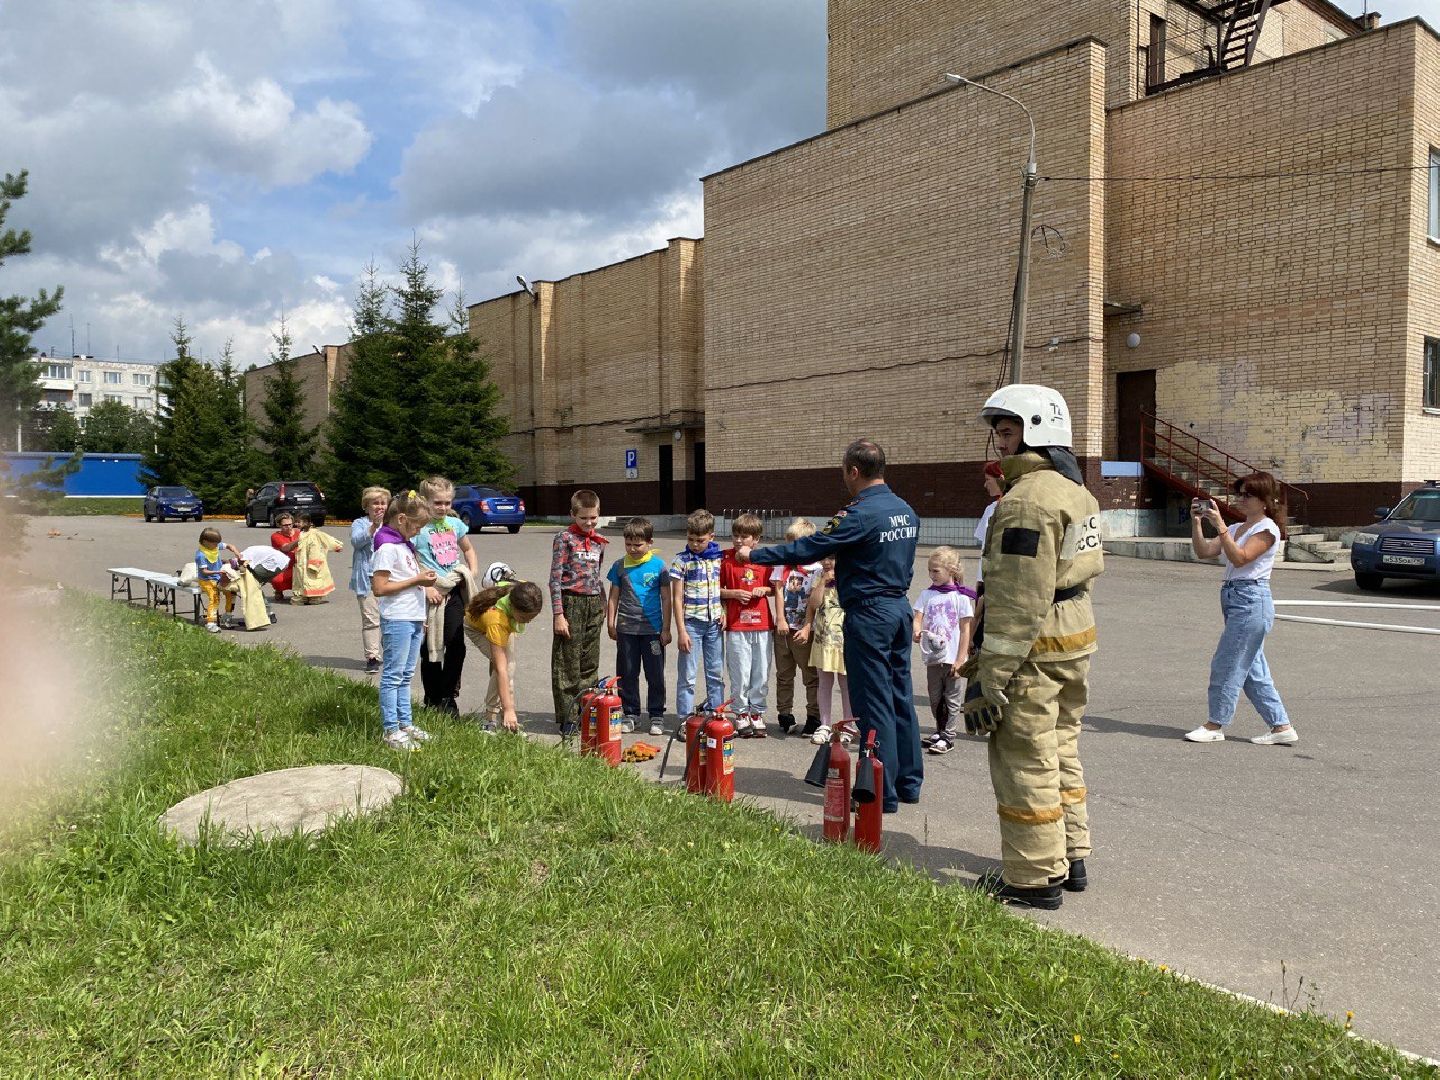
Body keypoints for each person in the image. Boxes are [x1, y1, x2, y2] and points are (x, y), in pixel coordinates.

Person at [963, 384, 1102, 910]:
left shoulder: (1025, 503)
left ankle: (1034, 878)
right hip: (1074, 639)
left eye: (1007, 431)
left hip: (1035, 648)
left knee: (1025, 757)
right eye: (998, 432)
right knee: (1062, 748)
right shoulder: (1076, 491)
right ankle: (1071, 855)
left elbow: (1019, 599)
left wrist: (990, 676)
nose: (999, 442)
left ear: (1037, 431)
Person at [738, 440, 921, 812]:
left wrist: (755, 555)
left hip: (870, 614)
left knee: (874, 703)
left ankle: (879, 792)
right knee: (900, 696)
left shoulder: (859, 513)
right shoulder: (905, 510)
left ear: (853, 471)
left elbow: (810, 547)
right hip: (898, 609)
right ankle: (908, 782)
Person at [1184, 473, 1298, 746]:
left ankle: (1215, 724)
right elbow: (1204, 551)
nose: (1241, 499)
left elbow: (1240, 558)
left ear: (1265, 500)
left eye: (1248, 495)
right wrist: (1197, 523)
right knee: (1253, 670)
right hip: (1236, 598)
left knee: (1227, 663)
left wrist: (1220, 526)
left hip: (1251, 599)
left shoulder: (1267, 529)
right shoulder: (1237, 527)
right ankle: (1281, 726)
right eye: (1239, 494)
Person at [371, 491, 437, 751]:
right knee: (393, 675)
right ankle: (391, 730)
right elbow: (379, 588)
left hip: (412, 618)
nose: (418, 531)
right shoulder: (387, 547)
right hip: (397, 618)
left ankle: (405, 724)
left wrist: (420, 612)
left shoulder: (403, 545)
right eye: (417, 526)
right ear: (401, 519)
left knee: (406, 675)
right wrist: (416, 580)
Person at [415, 476, 479, 715]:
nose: (443, 507)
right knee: (429, 648)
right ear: (425, 501)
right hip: (428, 593)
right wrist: (426, 587)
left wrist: (470, 573)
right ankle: (432, 698)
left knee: (456, 645)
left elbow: (468, 549)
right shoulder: (417, 527)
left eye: (447, 502)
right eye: (437, 503)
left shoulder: (455, 524)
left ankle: (448, 695)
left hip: (453, 591)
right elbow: (409, 560)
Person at [605, 516, 672, 736]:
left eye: (638, 544)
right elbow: (613, 597)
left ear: (650, 542)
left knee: (655, 675)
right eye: (628, 544)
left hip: (653, 631)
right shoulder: (619, 566)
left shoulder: (659, 566)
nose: (632, 549)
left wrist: (666, 628)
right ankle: (630, 714)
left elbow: (666, 599)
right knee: (627, 673)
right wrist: (610, 623)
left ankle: (656, 715)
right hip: (626, 629)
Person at [550, 489, 608, 733]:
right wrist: (558, 614)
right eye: (584, 517)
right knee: (568, 662)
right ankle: (568, 717)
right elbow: (555, 579)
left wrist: (603, 605)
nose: (589, 522)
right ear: (572, 514)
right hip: (571, 602)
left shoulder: (599, 541)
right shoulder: (564, 538)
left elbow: (596, 576)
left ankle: (586, 711)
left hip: (593, 604)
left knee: (589, 661)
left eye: (593, 517)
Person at [913, 546, 975, 755]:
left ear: (951, 570)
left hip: (952, 658)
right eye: (930, 570)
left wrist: (960, 660)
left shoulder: (961, 598)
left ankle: (948, 736)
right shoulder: (927, 594)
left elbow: (965, 631)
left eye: (936, 571)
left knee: (952, 699)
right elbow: (918, 617)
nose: (932, 575)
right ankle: (940, 731)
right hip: (933, 657)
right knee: (935, 698)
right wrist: (916, 631)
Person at [464, 577, 544, 733]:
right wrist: (509, 708)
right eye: (524, 618)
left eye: (532, 618)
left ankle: (507, 722)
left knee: (508, 668)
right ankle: (490, 720)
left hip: (505, 623)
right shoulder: (497, 620)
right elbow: (501, 669)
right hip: (477, 628)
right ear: (513, 607)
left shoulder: (521, 591)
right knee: (505, 668)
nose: (527, 622)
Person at [720, 513, 774, 738]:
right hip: (737, 625)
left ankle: (757, 712)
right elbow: (714, 589)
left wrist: (765, 589)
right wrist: (733, 593)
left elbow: (775, 587)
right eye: (735, 535)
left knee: (761, 672)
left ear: (756, 539)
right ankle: (741, 713)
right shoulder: (726, 560)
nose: (739, 540)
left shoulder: (764, 560)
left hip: (762, 625)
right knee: (740, 672)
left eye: (744, 536)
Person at [669, 509, 725, 724]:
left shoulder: (718, 559)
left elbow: (722, 590)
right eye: (690, 539)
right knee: (688, 676)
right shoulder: (681, 561)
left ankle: (715, 716)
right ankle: (685, 719)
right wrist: (681, 631)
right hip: (691, 624)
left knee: (715, 673)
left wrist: (724, 611)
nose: (694, 544)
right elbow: (677, 598)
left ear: (711, 536)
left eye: (700, 540)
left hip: (714, 624)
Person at [771, 518, 822, 736]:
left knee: (811, 676)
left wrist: (808, 626)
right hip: (784, 628)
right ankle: (785, 714)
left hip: (805, 630)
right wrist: (780, 619)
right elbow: (778, 591)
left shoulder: (818, 569)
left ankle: (814, 717)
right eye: (789, 543)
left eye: (796, 544)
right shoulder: (783, 566)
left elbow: (816, 601)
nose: (791, 548)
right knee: (784, 674)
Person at [807, 557, 857, 746]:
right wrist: (823, 582)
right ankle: (824, 724)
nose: (826, 562)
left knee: (846, 685)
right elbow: (814, 604)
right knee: (824, 683)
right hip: (823, 639)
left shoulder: (850, 575)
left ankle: (848, 724)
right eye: (823, 558)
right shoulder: (818, 576)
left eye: (832, 558)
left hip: (845, 640)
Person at [349, 486, 390, 675]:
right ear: (366, 506)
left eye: (383, 503)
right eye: (375, 503)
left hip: (389, 578)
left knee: (390, 618)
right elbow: (357, 542)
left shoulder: (392, 524)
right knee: (371, 619)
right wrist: (373, 526)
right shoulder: (360, 523)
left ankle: (390, 653)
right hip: (367, 578)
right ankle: (372, 657)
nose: (380, 507)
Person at [291, 511, 344, 604]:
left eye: (299, 522)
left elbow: (326, 539)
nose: (296, 524)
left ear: (306, 522)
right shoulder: (302, 534)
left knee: (313, 580)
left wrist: (336, 546)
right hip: (301, 562)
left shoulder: (315, 533)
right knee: (301, 579)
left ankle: (314, 597)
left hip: (313, 562)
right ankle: (303, 596)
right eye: (296, 522)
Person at [194, 527, 234, 633]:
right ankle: (210, 622)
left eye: (217, 543)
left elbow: (228, 546)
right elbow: (204, 571)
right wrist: (218, 571)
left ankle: (227, 615)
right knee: (214, 598)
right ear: (205, 542)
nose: (217, 545)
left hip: (218, 577)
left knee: (230, 592)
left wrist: (233, 549)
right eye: (215, 543)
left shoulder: (214, 546)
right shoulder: (201, 555)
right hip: (207, 580)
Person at [268, 513, 299, 602]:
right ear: (279, 525)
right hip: (285, 567)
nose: (288, 527)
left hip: (299, 564)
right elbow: (286, 548)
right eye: (285, 525)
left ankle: (302, 592)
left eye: (290, 524)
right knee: (277, 581)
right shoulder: (275, 536)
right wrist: (300, 539)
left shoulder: (299, 533)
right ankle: (278, 590)